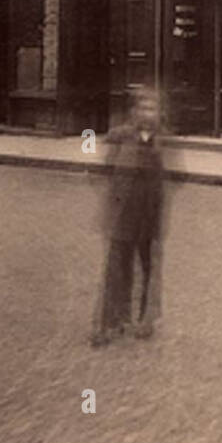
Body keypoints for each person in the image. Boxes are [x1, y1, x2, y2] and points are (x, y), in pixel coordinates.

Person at [91, 88, 167, 346]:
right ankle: (109, 323)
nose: (148, 114)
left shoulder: (162, 141)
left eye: (153, 109)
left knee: (148, 268)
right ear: (134, 111)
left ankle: (144, 320)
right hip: (123, 213)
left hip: (150, 215)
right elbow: (104, 171)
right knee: (117, 268)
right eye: (143, 108)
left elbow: (171, 178)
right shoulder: (119, 136)